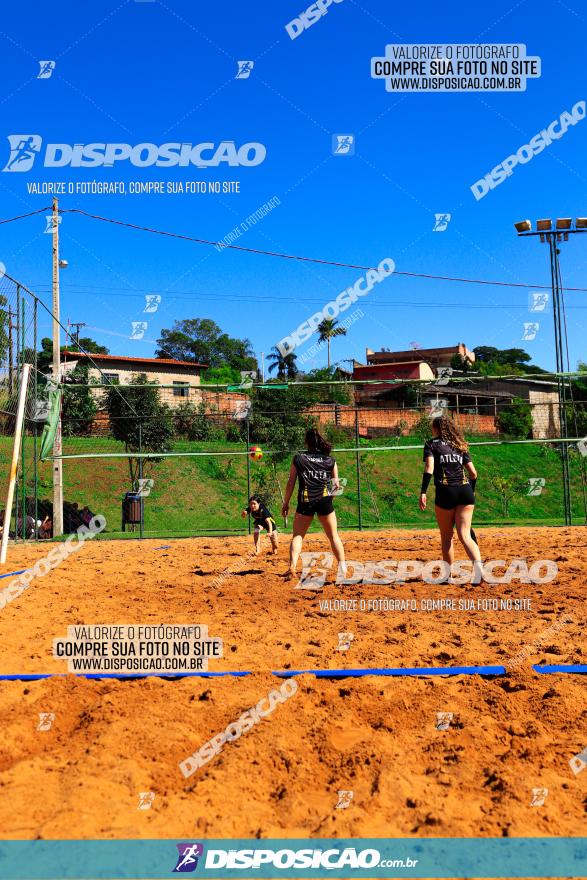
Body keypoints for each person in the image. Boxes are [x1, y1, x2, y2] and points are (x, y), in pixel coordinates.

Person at [419, 415, 482, 582]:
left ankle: (447, 577)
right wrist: (471, 492)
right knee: (465, 535)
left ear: (436, 428)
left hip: (446, 491)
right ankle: (480, 571)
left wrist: (423, 491)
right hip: (465, 490)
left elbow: (429, 468)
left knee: (447, 537)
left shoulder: (431, 444)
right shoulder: (459, 445)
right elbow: (473, 474)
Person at [281, 427, 346, 582]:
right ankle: (343, 569)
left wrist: (286, 502)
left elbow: (291, 482)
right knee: (333, 536)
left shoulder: (299, 458)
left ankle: (292, 568)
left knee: (298, 536)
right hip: (324, 501)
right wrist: (329, 502)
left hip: (306, 501)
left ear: (306, 441)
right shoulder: (330, 460)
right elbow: (337, 485)